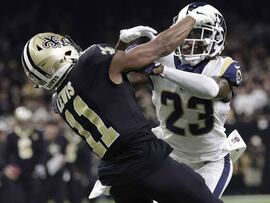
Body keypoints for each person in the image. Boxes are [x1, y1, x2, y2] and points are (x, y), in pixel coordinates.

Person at [21, 5, 223, 203]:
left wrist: (121, 44)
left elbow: (110, 82)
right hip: (145, 159)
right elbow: (161, 47)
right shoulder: (91, 61)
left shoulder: (60, 101)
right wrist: (193, 19)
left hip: (115, 175)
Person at [120, 2, 246, 197]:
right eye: (188, 33)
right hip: (169, 157)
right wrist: (121, 47)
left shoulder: (223, 66)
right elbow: (116, 78)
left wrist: (163, 71)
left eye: (199, 33)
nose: (190, 40)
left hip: (211, 162)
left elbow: (211, 89)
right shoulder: (163, 58)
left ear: (217, 38)